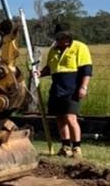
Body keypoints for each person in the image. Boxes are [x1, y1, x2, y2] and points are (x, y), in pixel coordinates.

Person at [39, 22, 93, 158]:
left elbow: (87, 70)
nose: (64, 40)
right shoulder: (53, 50)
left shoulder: (80, 47)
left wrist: (83, 87)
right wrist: (39, 73)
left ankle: (77, 148)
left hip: (72, 88)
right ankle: (65, 146)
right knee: (60, 118)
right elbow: (49, 68)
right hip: (57, 88)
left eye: (66, 37)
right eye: (61, 37)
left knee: (70, 118)